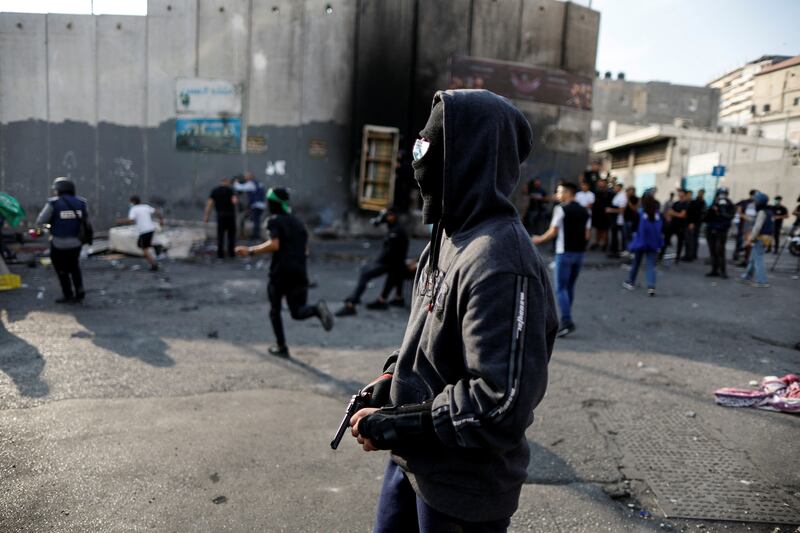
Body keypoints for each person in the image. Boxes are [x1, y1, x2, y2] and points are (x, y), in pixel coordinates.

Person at [348, 90, 557, 533]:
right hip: (414, 466)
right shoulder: (445, 237)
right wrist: (390, 381)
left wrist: (401, 425)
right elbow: (425, 342)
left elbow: (501, 402)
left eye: (430, 147)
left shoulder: (501, 260)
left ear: (469, 158)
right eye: (419, 145)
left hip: (464, 491)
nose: (419, 158)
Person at [235, 188, 333, 357]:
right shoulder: (298, 223)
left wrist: (250, 251)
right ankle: (317, 309)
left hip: (280, 273)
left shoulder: (273, 221)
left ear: (272, 203)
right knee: (297, 311)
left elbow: (275, 244)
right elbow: (305, 250)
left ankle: (281, 347)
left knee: (275, 310)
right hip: (299, 273)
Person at [533, 181, 590, 337]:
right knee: (569, 287)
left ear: (568, 193)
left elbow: (553, 231)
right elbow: (587, 235)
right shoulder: (585, 211)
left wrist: (538, 239)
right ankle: (567, 316)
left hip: (564, 253)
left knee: (561, 289)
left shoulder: (560, 209)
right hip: (579, 254)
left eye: (559, 192)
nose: (557, 195)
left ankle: (566, 321)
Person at [336, 208, 409, 316]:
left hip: (392, 263)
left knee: (366, 274)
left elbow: (391, 254)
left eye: (387, 216)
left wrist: (378, 263)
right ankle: (395, 298)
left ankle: (352, 304)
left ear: (392, 216)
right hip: (394, 263)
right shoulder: (394, 228)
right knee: (367, 270)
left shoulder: (396, 231)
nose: (385, 218)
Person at [35, 177, 89, 303]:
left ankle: (68, 294)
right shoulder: (82, 203)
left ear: (58, 189)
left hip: (58, 243)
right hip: (76, 242)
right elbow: (86, 221)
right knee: (74, 266)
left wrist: (50, 224)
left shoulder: (53, 203)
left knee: (61, 269)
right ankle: (79, 290)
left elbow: (41, 221)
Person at [623, 190, 663, 296]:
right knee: (651, 265)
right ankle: (651, 286)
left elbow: (634, 228)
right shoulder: (657, 214)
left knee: (636, 262)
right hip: (653, 242)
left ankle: (631, 282)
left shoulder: (640, 213)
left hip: (641, 242)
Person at [116, 195, 164, 271]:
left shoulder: (134, 209)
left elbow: (131, 220)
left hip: (144, 231)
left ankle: (154, 265)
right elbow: (157, 212)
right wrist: (161, 220)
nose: (130, 204)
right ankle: (154, 249)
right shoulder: (145, 206)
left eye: (130, 202)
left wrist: (120, 221)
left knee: (144, 250)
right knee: (141, 245)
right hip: (150, 229)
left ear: (133, 202)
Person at [739, 191, 772, 288]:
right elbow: (755, 220)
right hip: (766, 238)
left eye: (756, 200)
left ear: (760, 201)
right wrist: (744, 216)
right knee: (753, 259)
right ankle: (747, 277)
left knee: (758, 259)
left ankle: (762, 281)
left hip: (761, 238)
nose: (755, 202)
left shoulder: (762, 212)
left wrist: (750, 239)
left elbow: (757, 226)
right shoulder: (768, 211)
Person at [704, 186, 735, 278]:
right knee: (712, 250)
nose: (721, 197)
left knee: (720, 251)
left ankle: (723, 271)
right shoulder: (714, 203)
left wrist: (721, 211)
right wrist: (712, 210)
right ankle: (714, 270)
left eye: (723, 194)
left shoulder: (729, 204)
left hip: (721, 230)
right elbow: (706, 218)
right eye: (720, 194)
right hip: (711, 229)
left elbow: (729, 216)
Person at [204, 177, 238, 259]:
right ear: (227, 182)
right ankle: (231, 254)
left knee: (220, 236)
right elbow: (234, 201)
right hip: (230, 216)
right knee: (231, 236)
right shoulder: (231, 190)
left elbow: (209, 204)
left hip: (220, 216)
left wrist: (206, 216)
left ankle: (220, 254)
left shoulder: (215, 191)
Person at [234, 171, 267, 240]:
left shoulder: (251, 183)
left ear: (250, 177)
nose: (245, 177)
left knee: (255, 220)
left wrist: (236, 182)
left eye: (246, 176)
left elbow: (240, 187)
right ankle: (256, 234)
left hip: (256, 205)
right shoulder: (258, 183)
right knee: (256, 220)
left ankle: (256, 235)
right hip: (261, 205)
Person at [659, 189, 688, 264]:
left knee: (680, 242)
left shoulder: (686, 204)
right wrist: (669, 216)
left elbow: (682, 215)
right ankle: (660, 256)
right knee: (666, 240)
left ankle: (677, 258)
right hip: (673, 224)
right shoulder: (676, 203)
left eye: (681, 193)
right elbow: (669, 212)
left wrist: (673, 213)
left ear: (684, 194)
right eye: (679, 193)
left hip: (681, 226)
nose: (679, 194)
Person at [590, 178, 613, 250]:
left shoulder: (610, 193)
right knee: (598, 230)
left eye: (602, 183)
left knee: (605, 230)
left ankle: (605, 244)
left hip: (606, 215)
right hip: (597, 215)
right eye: (599, 183)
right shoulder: (595, 193)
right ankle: (597, 242)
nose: (601, 185)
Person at [606, 182, 627, 258]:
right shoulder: (617, 195)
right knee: (614, 235)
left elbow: (621, 210)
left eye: (616, 187)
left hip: (618, 219)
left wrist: (610, 210)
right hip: (614, 218)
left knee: (618, 236)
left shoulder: (622, 197)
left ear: (619, 188)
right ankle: (614, 250)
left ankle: (617, 251)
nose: (614, 189)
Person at [684, 189, 706, 261]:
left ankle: (691, 255)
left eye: (701, 193)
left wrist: (692, 222)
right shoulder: (695, 201)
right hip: (693, 222)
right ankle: (690, 254)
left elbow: (697, 213)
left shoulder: (700, 202)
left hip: (695, 223)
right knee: (690, 239)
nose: (700, 194)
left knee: (692, 239)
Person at [622, 186, 639, 252]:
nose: (629, 193)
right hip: (625, 219)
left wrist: (628, 200)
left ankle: (631, 249)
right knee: (625, 236)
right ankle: (626, 249)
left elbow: (634, 208)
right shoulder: (624, 198)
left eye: (631, 191)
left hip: (631, 220)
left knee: (630, 235)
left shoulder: (635, 199)